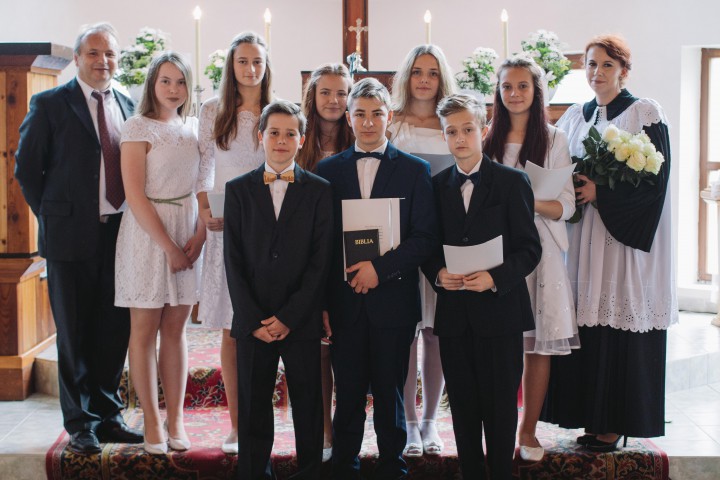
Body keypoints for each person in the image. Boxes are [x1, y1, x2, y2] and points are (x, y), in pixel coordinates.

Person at [543, 34, 677, 452]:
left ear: (623, 70)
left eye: (606, 64)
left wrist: (602, 193)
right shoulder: (574, 117)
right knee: (586, 321)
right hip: (583, 238)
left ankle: (616, 421)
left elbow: (656, 180)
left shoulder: (643, 112)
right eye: (590, 64)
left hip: (623, 243)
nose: (596, 72)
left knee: (617, 320)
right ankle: (589, 416)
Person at [14, 22, 143, 454]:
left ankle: (109, 416)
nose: (103, 61)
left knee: (114, 331)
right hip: (69, 239)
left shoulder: (127, 103)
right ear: (77, 58)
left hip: (121, 236)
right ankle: (81, 423)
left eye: (110, 54)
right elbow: (27, 170)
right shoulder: (51, 103)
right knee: (74, 334)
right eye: (93, 53)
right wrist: (55, 216)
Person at [316, 77, 438, 480]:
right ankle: (344, 468)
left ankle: (392, 467)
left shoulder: (415, 170)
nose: (368, 122)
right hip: (345, 303)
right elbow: (322, 245)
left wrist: (379, 270)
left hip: (394, 302)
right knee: (348, 394)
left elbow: (424, 238)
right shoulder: (327, 171)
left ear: (390, 116)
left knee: (390, 394)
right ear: (349, 118)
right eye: (360, 114)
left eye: (376, 114)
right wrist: (323, 304)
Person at [425, 93, 540, 479]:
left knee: (501, 406)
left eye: (468, 129)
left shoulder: (512, 182)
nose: (460, 138)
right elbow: (427, 246)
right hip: (455, 316)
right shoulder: (435, 186)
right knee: (462, 406)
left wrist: (495, 277)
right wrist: (437, 273)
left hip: (501, 313)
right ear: (443, 135)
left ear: (484, 130)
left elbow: (529, 249)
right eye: (451, 132)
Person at [224, 100, 333, 479]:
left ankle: (309, 472)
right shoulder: (238, 190)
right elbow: (233, 261)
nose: (281, 140)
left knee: (308, 404)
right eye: (274, 132)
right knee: (253, 405)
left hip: (299, 319)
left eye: (290, 134)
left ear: (301, 140)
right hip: (253, 320)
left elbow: (321, 262)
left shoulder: (319, 191)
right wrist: (253, 319)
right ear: (261, 136)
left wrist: (290, 316)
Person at [483, 55, 578, 462]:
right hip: (499, 252)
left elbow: (567, 205)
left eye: (523, 86)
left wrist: (523, 201)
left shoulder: (554, 139)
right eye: (507, 86)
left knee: (538, 345)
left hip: (542, 251)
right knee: (502, 344)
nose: (515, 93)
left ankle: (528, 430)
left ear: (536, 91)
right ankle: (500, 425)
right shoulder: (487, 138)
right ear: (498, 91)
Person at [115, 52, 204, 454]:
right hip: (148, 235)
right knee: (144, 328)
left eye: (180, 82)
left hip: (187, 228)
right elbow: (134, 194)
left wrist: (199, 235)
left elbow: (205, 184)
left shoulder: (194, 128)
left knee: (176, 328)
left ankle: (176, 418)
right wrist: (168, 247)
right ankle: (151, 420)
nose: (173, 89)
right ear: (152, 83)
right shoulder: (137, 126)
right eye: (165, 81)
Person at [196, 31, 271, 454]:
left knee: (269, 322)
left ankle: (266, 421)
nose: (250, 68)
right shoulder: (213, 110)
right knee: (233, 328)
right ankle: (238, 425)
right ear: (231, 65)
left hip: (268, 231)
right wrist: (206, 212)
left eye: (257, 61)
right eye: (243, 61)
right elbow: (203, 169)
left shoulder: (276, 110)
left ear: (266, 64)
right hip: (226, 228)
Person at [387, 44, 457, 458]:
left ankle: (431, 420)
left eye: (432, 72)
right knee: (405, 334)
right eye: (417, 72)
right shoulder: (392, 123)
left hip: (443, 239)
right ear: (406, 77)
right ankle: (409, 422)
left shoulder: (452, 122)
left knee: (435, 332)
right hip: (400, 239)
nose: (425, 80)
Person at [297, 62, 354, 463]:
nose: (334, 100)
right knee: (316, 346)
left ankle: (347, 426)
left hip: (351, 253)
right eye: (326, 92)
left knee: (346, 347)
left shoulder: (360, 137)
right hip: (309, 254)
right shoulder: (299, 142)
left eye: (341, 93)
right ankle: (323, 430)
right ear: (312, 97)